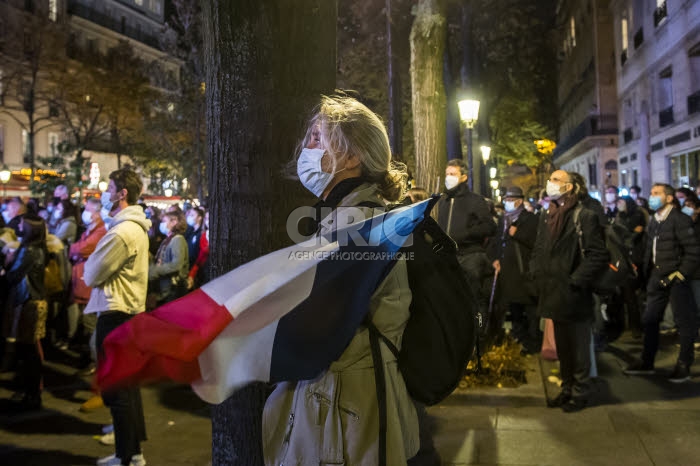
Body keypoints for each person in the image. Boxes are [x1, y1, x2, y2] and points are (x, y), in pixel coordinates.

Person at [263, 95, 420, 466]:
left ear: (352, 157)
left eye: (318, 138)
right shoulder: (344, 216)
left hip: (342, 408)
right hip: (340, 400)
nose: (307, 147)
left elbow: (321, 326)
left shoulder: (356, 223)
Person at [83, 168, 150, 466]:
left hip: (117, 315)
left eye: (110, 188)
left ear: (122, 193)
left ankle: (128, 457)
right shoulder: (132, 228)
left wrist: (90, 264)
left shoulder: (122, 232)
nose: (106, 193)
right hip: (128, 315)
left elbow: (92, 273)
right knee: (127, 388)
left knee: (118, 390)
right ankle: (132, 452)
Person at [530, 170, 608, 412]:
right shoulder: (547, 214)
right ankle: (567, 388)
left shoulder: (584, 216)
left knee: (579, 346)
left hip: (574, 293)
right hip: (553, 291)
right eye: (550, 178)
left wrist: (575, 281)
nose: (550, 183)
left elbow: (597, 255)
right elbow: (540, 248)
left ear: (571, 187)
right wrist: (536, 272)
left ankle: (581, 391)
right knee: (563, 346)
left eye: (556, 180)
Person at [624, 183, 700, 382]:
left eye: (657, 193)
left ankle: (684, 364)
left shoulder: (680, 220)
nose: (652, 196)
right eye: (651, 193)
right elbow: (650, 250)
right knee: (650, 320)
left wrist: (680, 274)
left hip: (675, 279)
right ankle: (647, 362)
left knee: (685, 322)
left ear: (668, 198)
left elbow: (693, 252)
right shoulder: (655, 221)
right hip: (656, 278)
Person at [436, 159, 496, 320]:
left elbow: (490, 226)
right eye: (447, 174)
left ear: (463, 177)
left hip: (470, 257)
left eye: (453, 174)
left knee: (473, 298)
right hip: (447, 258)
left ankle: (478, 335)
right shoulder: (443, 201)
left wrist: (466, 233)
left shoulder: (475, 201)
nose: (448, 177)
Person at [1, 215, 48, 410]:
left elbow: (14, 275)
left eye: (22, 223)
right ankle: (29, 390)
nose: (18, 225)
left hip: (30, 303)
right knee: (27, 348)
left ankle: (32, 394)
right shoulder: (36, 248)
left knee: (29, 350)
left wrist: (8, 263)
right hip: (31, 301)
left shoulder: (30, 250)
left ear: (30, 228)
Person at [488, 186, 539, 353]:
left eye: (510, 200)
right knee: (514, 306)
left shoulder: (530, 218)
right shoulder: (504, 218)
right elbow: (497, 240)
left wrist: (517, 234)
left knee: (528, 307)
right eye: (506, 200)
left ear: (519, 201)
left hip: (522, 269)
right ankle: (519, 337)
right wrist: (495, 258)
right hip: (507, 270)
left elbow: (534, 242)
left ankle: (531, 341)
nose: (507, 203)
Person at [67, 197, 107, 371]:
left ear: (98, 213)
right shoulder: (90, 230)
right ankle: (88, 357)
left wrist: (76, 250)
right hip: (82, 280)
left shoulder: (100, 231)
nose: (85, 213)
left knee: (90, 323)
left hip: (88, 282)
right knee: (86, 322)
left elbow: (81, 248)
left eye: (89, 210)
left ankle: (94, 361)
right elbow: (79, 248)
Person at [148, 211, 189, 306]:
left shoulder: (178, 239)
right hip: (166, 288)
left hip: (173, 290)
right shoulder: (169, 239)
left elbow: (176, 265)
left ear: (174, 222)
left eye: (164, 221)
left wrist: (155, 270)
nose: (162, 224)